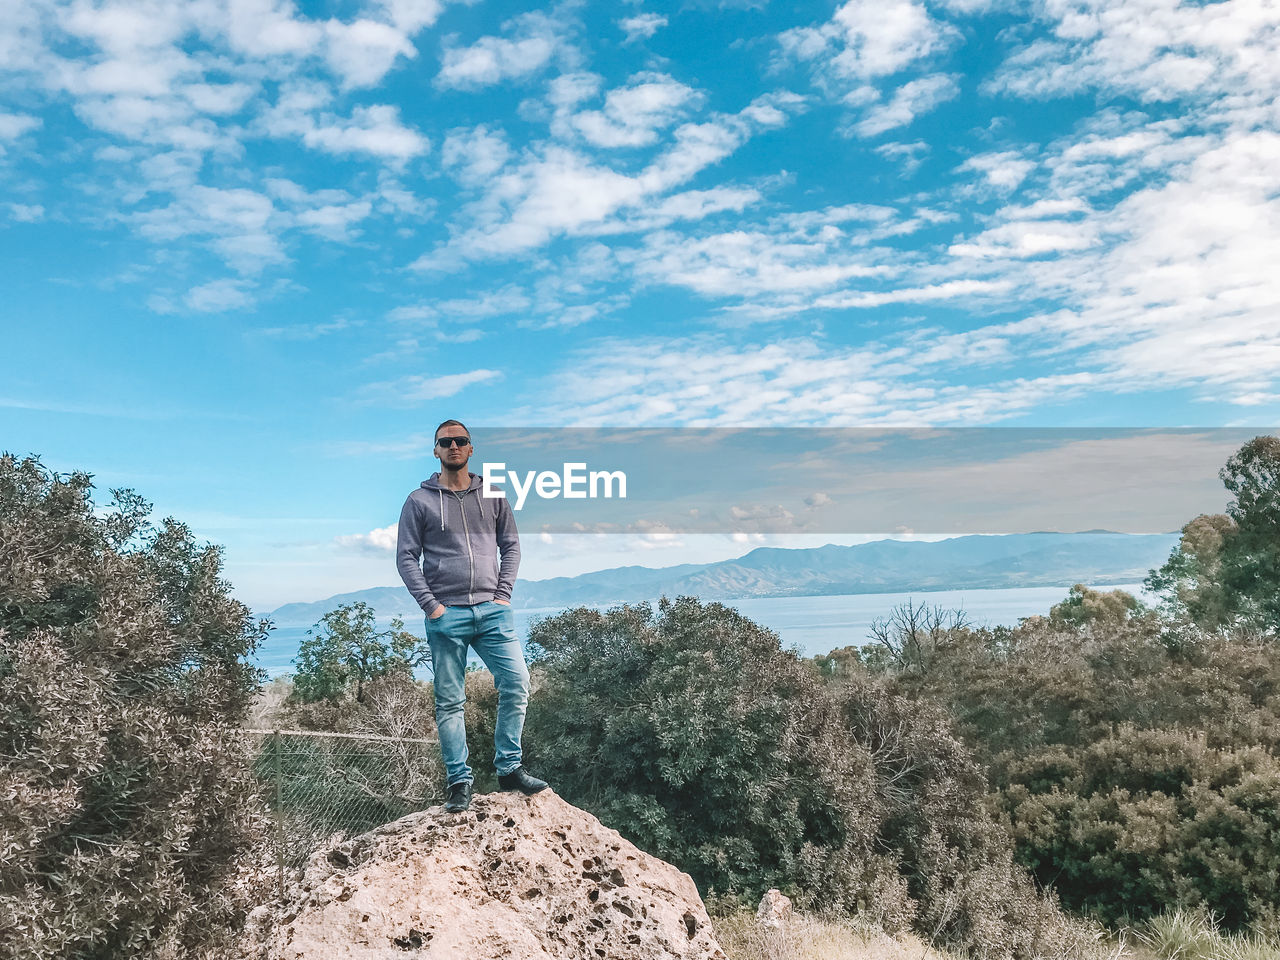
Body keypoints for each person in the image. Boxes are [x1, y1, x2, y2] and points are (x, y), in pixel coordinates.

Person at [395, 419, 548, 813]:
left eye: (460, 441)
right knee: (449, 702)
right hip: (447, 616)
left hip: (493, 612)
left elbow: (511, 546)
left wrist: (503, 595)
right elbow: (406, 557)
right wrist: (432, 606)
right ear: (436, 450)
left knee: (517, 683)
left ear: (471, 448)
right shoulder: (419, 501)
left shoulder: (493, 495)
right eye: (445, 442)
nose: (453, 446)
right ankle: (459, 781)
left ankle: (509, 767)